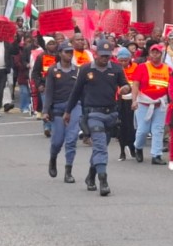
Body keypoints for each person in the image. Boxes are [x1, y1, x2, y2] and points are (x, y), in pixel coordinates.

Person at [64, 41, 130, 197]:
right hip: (93, 114)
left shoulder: (116, 68)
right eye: (102, 56)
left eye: (108, 56)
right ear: (95, 54)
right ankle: (103, 180)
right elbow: (76, 91)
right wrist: (68, 111)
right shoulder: (86, 69)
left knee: (101, 148)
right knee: (100, 147)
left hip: (111, 114)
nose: (105, 59)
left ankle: (91, 175)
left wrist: (125, 88)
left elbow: (125, 85)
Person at [44, 42, 81, 183]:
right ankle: (53, 158)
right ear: (60, 53)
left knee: (71, 139)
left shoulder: (77, 71)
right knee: (57, 141)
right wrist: (46, 110)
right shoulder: (53, 70)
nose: (69, 54)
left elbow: (82, 91)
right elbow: (49, 92)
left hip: (74, 107)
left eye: (71, 52)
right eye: (66, 52)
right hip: (58, 108)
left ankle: (68, 171)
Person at [131, 43, 170, 165]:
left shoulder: (168, 69)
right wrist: (134, 101)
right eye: (153, 52)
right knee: (143, 130)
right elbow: (136, 85)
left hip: (160, 103)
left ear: (161, 54)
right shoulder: (142, 67)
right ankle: (138, 147)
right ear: (149, 54)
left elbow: (171, 87)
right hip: (144, 103)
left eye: (157, 52)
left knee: (158, 129)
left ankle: (156, 155)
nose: (155, 54)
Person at [116, 47, 138, 161]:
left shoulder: (136, 68)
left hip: (132, 100)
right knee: (121, 126)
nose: (123, 62)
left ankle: (132, 147)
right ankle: (122, 151)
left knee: (132, 126)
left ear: (129, 59)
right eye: (121, 60)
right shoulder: (115, 69)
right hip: (119, 100)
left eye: (125, 60)